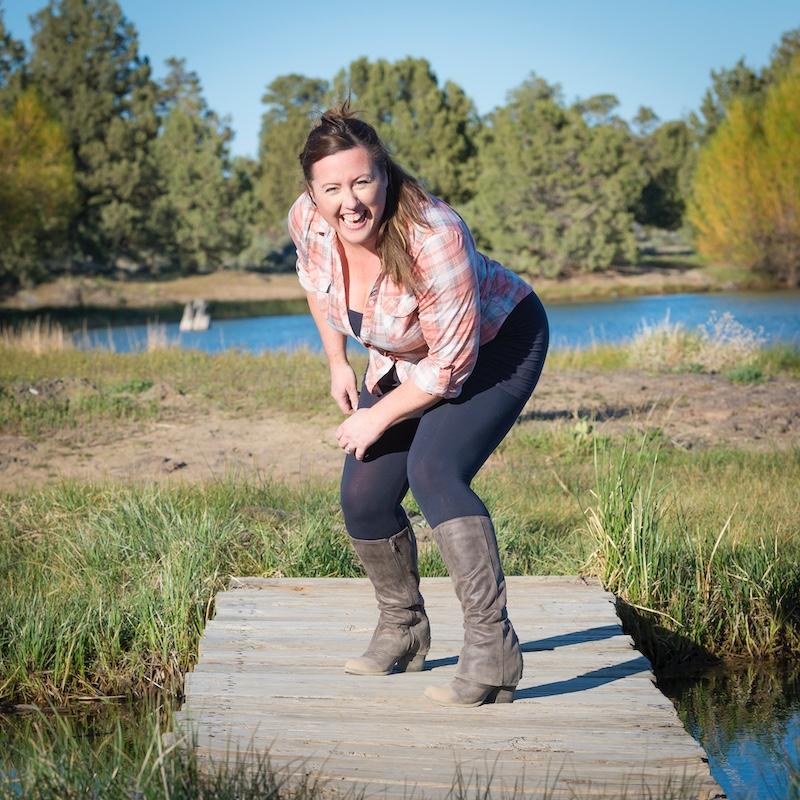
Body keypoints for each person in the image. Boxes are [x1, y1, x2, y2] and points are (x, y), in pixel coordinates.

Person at [288, 104, 549, 708]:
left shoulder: (434, 235)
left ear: (385, 175)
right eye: (332, 189)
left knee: (433, 469)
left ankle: (493, 652)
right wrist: (337, 362)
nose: (349, 201)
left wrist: (378, 415)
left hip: (495, 344)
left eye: (362, 181)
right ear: (313, 192)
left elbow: (450, 366)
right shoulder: (309, 220)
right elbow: (316, 287)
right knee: (364, 495)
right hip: (406, 359)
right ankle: (404, 630)